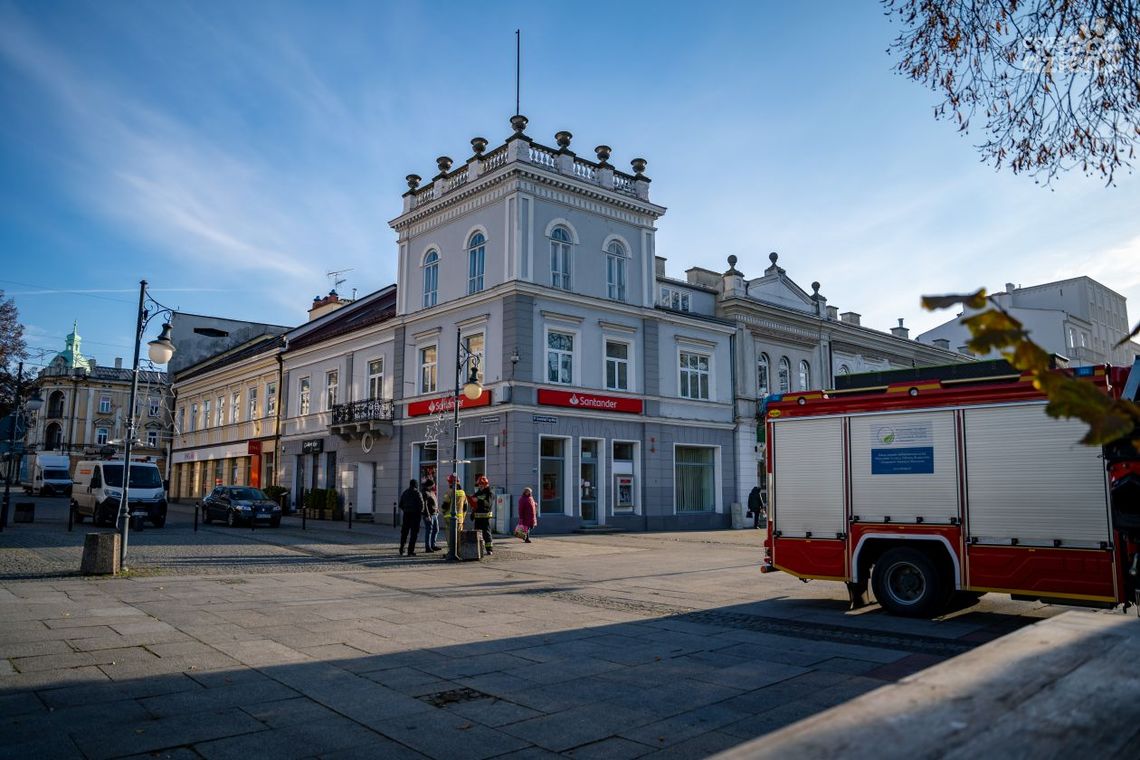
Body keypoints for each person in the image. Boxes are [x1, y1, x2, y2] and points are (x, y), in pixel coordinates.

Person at [441, 474, 468, 558]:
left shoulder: (449, 492)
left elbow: (445, 505)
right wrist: (463, 517)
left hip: (449, 519)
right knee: (459, 536)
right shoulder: (463, 493)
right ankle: (459, 552)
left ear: (450, 483)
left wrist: (442, 512)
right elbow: (465, 507)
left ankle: (451, 552)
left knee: (450, 536)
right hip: (460, 519)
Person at [398, 478, 424, 556]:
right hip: (415, 515)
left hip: (406, 515)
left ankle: (402, 548)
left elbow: (400, 505)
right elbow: (421, 505)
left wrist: (406, 509)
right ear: (416, 485)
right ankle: (410, 551)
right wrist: (420, 512)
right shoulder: (417, 493)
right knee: (414, 534)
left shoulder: (405, 492)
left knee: (404, 533)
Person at [470, 474, 494, 554]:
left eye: (481, 485)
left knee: (486, 533)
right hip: (477, 517)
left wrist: (478, 500)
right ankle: (478, 548)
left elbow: (488, 503)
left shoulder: (489, 493)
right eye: (479, 485)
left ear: (485, 484)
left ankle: (489, 549)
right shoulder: (478, 492)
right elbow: (474, 503)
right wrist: (472, 512)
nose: (479, 486)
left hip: (485, 517)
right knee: (477, 534)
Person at [421, 477, 440, 552]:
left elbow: (434, 501)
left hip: (435, 514)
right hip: (429, 515)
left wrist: (437, 509)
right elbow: (425, 505)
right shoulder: (425, 492)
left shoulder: (431, 492)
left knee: (436, 530)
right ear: (429, 485)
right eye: (433, 485)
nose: (434, 486)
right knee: (429, 530)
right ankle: (428, 547)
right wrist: (427, 515)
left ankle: (433, 545)